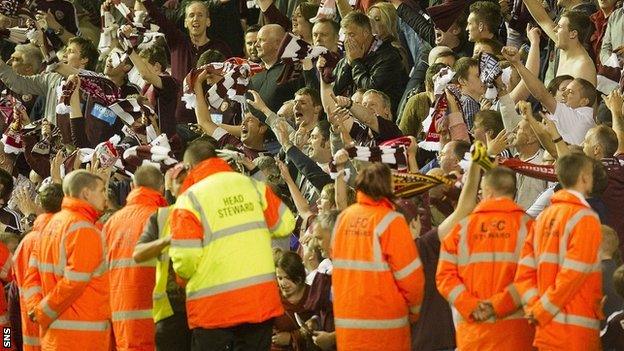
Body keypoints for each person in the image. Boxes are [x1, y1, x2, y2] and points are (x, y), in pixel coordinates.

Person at [168, 139, 296, 350]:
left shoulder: (188, 201)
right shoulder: (252, 187)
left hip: (214, 308)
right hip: (259, 302)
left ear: (189, 168)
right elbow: (286, 224)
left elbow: (185, 262)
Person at [436, 166, 535, 350]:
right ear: (514, 192)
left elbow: (444, 277)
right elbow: (533, 277)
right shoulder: (530, 227)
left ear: (487, 191)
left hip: (472, 334)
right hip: (517, 335)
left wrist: (472, 306)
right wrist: (497, 306)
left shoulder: (461, 229)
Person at [514, 153, 603, 350]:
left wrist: (534, 308)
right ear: (584, 177)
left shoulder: (543, 218)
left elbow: (523, 272)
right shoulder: (585, 218)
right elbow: (573, 275)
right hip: (574, 333)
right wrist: (543, 310)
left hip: (545, 331)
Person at [331, 163, 424, 350]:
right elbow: (411, 279)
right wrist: (414, 312)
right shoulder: (391, 221)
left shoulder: (344, 218)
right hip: (385, 331)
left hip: (348, 329)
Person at [24, 170, 110, 351]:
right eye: (102, 190)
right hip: (82, 340)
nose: (106, 197)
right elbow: (74, 282)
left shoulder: (49, 226)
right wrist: (42, 312)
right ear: (86, 193)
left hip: (54, 338)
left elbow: (31, 278)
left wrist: (36, 309)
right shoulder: (84, 229)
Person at [104, 165, 168, 351]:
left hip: (121, 319)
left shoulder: (111, 223)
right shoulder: (163, 218)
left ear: (132, 186)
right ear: (162, 188)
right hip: (159, 319)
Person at [138, 0, 232, 124]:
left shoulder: (220, 48)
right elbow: (160, 19)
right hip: (178, 117)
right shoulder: (177, 42)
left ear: (208, 21)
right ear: (185, 22)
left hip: (211, 117)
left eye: (200, 15)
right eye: (191, 15)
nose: (195, 19)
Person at [133, 163, 191, 351]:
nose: (185, 185)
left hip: (205, 306)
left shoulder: (210, 215)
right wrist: (167, 240)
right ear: (170, 188)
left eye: (189, 180)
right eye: (179, 182)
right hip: (171, 309)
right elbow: (139, 253)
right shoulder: (161, 216)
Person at [503, 46, 596, 146]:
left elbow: (541, 94)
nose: (564, 94)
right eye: (564, 90)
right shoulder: (581, 118)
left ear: (584, 101)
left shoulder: (579, 119)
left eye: (570, 92)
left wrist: (518, 64)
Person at [13, 183, 63, 351]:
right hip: (58, 330)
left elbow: (12, 279)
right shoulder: (66, 236)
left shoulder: (27, 242)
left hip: (29, 329)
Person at [332, 11, 407, 115]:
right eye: (345, 35)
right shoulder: (351, 55)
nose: (347, 40)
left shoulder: (388, 56)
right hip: (355, 114)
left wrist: (356, 63)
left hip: (382, 116)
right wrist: (349, 63)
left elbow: (370, 90)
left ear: (366, 33)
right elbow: (335, 89)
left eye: (352, 34)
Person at [522, 3, 597, 86]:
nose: (554, 29)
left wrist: (534, 43)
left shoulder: (583, 66)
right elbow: (543, 20)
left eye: (560, 26)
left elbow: (584, 99)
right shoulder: (565, 47)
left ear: (573, 34)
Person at [272, 251, 314, 350]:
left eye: (287, 277)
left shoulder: (314, 295)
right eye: (280, 278)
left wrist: (293, 337)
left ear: (299, 277)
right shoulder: (273, 297)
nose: (283, 283)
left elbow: (320, 327)